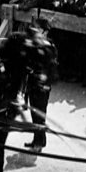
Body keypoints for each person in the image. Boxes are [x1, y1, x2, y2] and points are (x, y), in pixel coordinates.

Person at [24, 19, 55, 150]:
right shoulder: (36, 45)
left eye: (38, 29)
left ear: (44, 32)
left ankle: (39, 143)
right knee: (34, 114)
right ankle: (38, 141)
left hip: (42, 86)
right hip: (33, 83)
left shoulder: (49, 47)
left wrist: (46, 84)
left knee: (39, 115)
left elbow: (52, 69)